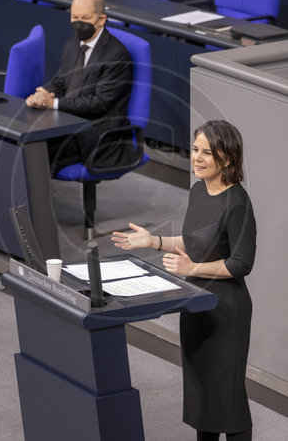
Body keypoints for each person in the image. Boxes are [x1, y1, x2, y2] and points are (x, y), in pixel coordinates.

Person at [112, 120, 257, 441]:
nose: (197, 158)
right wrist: (154, 241)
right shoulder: (198, 190)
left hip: (226, 312)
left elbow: (241, 263)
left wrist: (193, 267)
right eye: (195, 150)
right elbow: (194, 242)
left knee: (228, 398)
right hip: (195, 304)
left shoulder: (237, 203)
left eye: (207, 153)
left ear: (228, 160)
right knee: (202, 395)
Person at [26, 0, 135, 176]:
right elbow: (61, 82)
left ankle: (38, 204)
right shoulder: (71, 46)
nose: (78, 23)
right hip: (69, 123)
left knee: (37, 155)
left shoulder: (116, 55)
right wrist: (42, 95)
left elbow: (100, 103)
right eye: (74, 17)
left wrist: (54, 103)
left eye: (85, 17)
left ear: (101, 20)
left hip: (97, 134)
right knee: (25, 144)